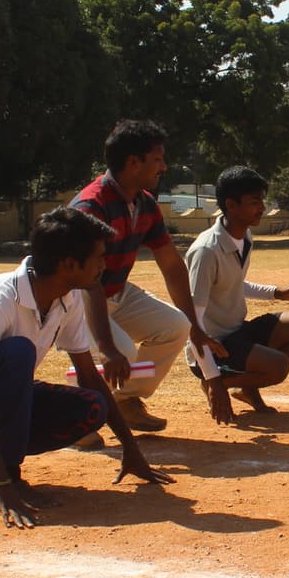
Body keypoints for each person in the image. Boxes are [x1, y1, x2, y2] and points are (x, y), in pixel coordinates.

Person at [0, 207, 173, 528]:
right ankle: (9, 476)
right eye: (98, 258)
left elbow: (89, 376)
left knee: (92, 406)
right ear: (69, 264)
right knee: (18, 351)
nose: (103, 266)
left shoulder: (69, 298)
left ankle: (7, 464)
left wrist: (130, 448)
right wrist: (1, 482)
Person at [70, 120, 224, 437]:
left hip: (115, 292)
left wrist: (195, 327)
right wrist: (107, 347)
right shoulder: (91, 206)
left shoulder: (145, 204)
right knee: (122, 351)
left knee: (176, 326)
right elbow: (86, 283)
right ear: (133, 162)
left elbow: (171, 265)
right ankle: (77, 414)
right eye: (157, 159)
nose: (164, 167)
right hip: (77, 299)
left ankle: (125, 401)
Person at [185, 167, 289, 424]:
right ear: (231, 205)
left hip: (239, 332)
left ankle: (246, 384)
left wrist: (277, 293)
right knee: (279, 366)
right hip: (215, 347)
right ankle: (221, 383)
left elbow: (233, 283)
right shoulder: (206, 251)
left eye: (262, 200)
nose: (262, 207)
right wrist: (213, 380)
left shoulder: (244, 236)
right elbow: (193, 323)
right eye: (254, 202)